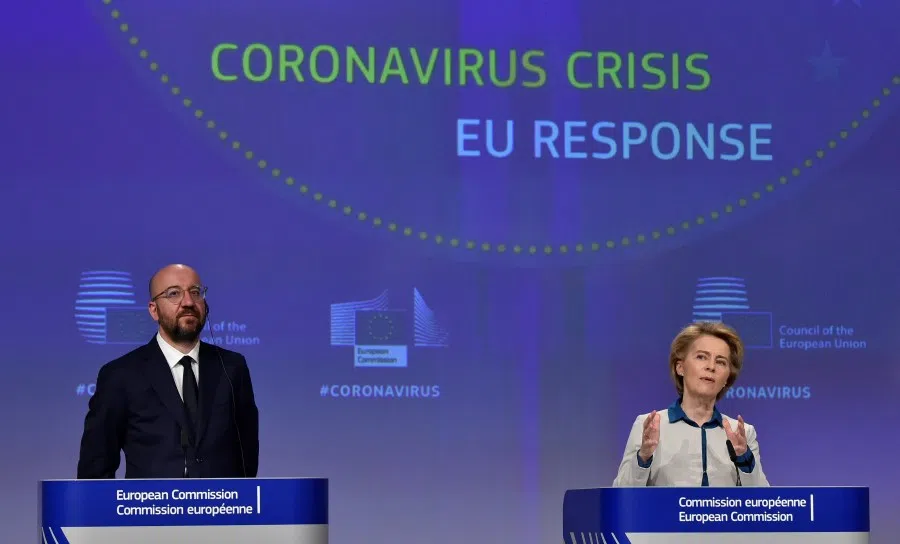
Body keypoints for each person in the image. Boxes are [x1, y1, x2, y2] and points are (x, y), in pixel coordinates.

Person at [76, 264, 259, 479]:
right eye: (174, 293)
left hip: (220, 508)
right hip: (148, 509)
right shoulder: (120, 374)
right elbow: (96, 466)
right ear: (154, 310)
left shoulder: (232, 367)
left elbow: (247, 454)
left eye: (195, 292)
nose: (188, 302)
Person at [612, 322, 769, 487]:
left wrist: (744, 457)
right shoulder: (649, 426)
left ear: (727, 378)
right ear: (680, 367)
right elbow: (621, 495)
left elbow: (762, 502)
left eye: (721, 362)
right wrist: (643, 456)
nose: (711, 367)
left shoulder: (742, 433)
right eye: (701, 357)